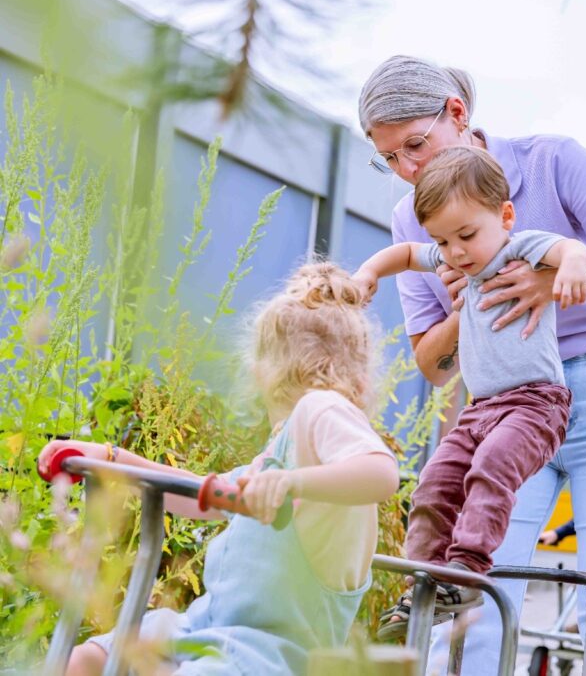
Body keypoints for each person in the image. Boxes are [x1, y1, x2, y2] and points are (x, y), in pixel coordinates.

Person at [358, 55, 586, 674]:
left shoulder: (549, 161)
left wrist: (563, 274)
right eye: (391, 159)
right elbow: (433, 365)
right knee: (470, 608)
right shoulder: (413, 219)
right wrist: (472, 306)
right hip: (501, 414)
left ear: (456, 114)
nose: (407, 170)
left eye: (415, 145)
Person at [38, 263, 400, 676]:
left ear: (274, 364)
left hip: (269, 654)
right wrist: (109, 458)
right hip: (205, 628)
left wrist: (290, 482)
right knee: (89, 659)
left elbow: (381, 474)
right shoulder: (277, 456)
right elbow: (198, 497)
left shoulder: (321, 409)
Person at [351, 145, 586, 638]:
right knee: (434, 484)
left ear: (504, 216)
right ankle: (424, 582)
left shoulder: (519, 246)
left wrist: (569, 268)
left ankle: (466, 573)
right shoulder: (453, 254)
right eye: (443, 240)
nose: (456, 253)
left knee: (492, 467)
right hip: (481, 409)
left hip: (535, 403)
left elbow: (572, 249)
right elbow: (405, 253)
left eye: (466, 235)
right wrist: (368, 272)